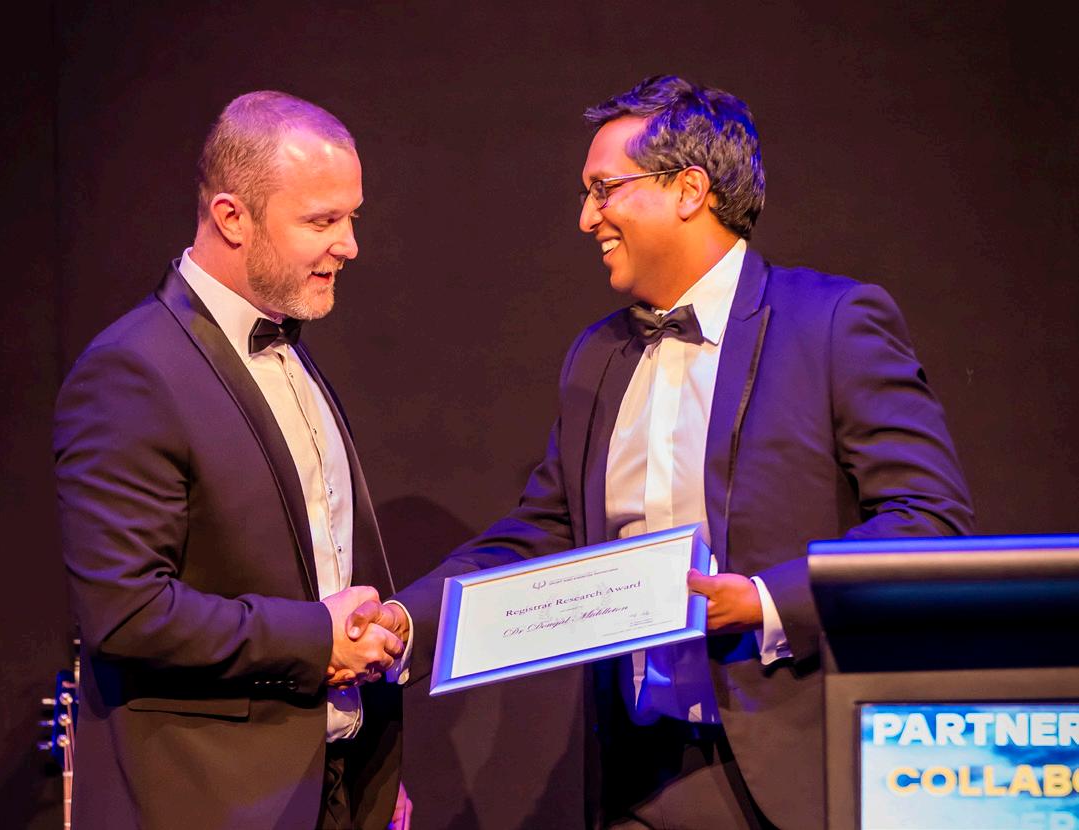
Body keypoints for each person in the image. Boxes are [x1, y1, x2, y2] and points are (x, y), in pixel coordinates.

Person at [353, 75, 974, 829]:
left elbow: (927, 522)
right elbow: (545, 531)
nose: (587, 218)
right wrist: (407, 620)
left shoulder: (832, 323)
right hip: (639, 774)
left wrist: (765, 601)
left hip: (802, 766)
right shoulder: (598, 356)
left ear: (688, 189)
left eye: (603, 189)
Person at [54, 91, 412, 830]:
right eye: (321, 221)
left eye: (352, 218)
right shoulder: (132, 369)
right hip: (214, 802)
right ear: (231, 217)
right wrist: (315, 638)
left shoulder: (291, 354)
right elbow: (127, 614)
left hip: (333, 792)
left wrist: (369, 763)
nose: (349, 245)